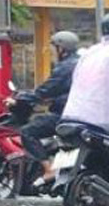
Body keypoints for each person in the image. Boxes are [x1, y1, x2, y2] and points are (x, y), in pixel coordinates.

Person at [7, 30, 80, 183]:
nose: (53, 53)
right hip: (77, 113)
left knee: (28, 132)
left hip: (65, 115)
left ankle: (49, 169)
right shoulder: (78, 63)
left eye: (54, 48)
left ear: (62, 49)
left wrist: (20, 99)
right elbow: (60, 90)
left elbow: (46, 90)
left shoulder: (66, 67)